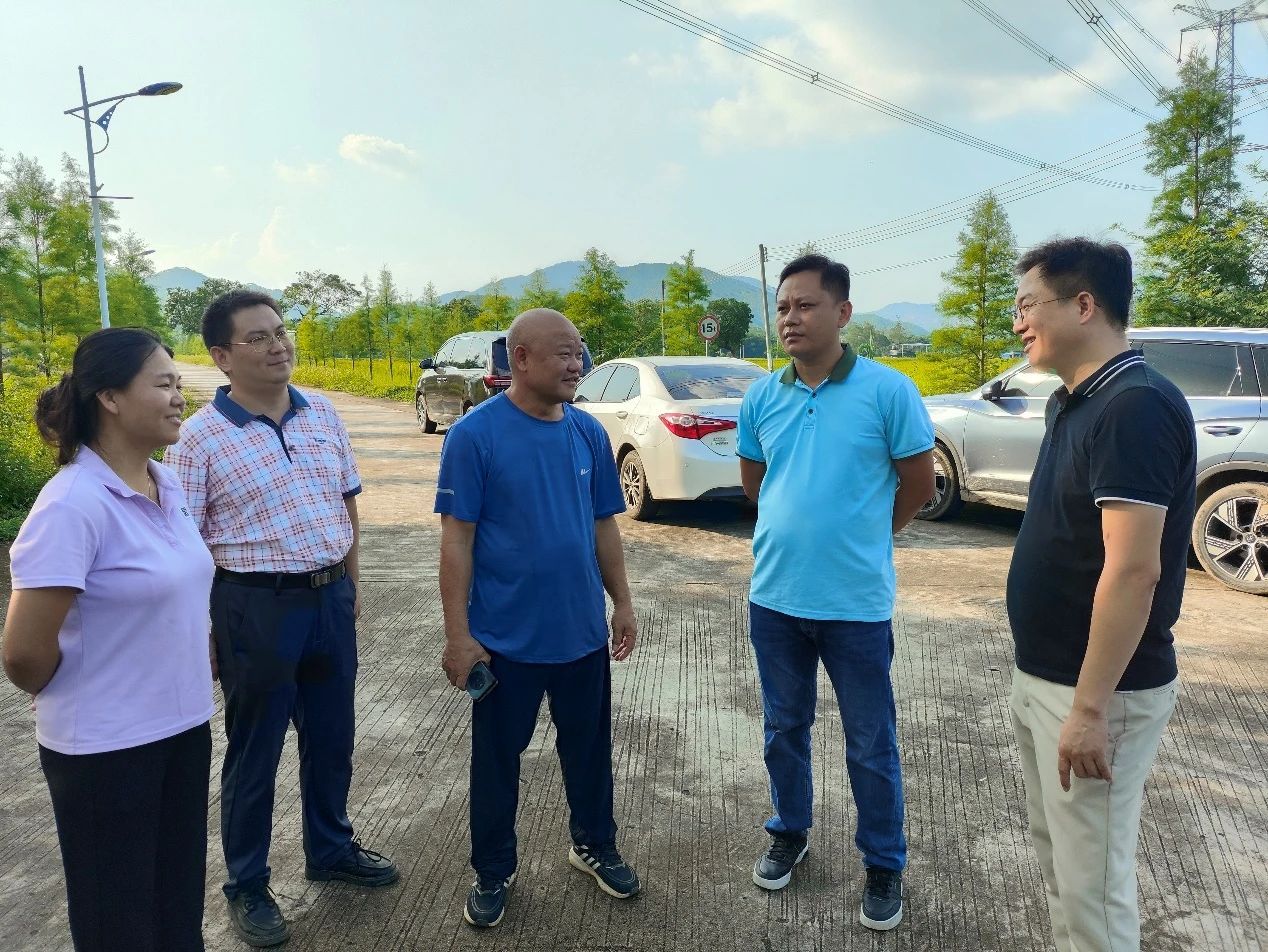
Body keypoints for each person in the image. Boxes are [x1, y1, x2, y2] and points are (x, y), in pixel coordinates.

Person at [165, 290, 396, 948]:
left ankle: (331, 848)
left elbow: (346, 503)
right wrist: (205, 629)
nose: (278, 345)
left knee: (332, 737)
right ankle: (247, 882)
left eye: (281, 331)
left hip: (329, 599)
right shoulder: (198, 438)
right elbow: (185, 542)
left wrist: (351, 585)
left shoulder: (321, 411)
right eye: (259, 337)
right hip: (254, 607)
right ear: (221, 356)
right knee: (255, 747)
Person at [736, 254, 935, 931]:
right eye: (783, 308)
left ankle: (883, 863)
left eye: (806, 305)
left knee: (870, 742)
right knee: (783, 728)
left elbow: (919, 485)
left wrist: (865, 536)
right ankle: (788, 831)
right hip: (774, 599)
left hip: (855, 605)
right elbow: (757, 483)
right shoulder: (762, 396)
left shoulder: (889, 391)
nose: (790, 318)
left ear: (843, 312)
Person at [1007, 239, 1195, 952]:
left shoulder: (1134, 406)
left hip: (1098, 694)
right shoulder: (1076, 401)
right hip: (1047, 675)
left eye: (1029, 305)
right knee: (1063, 866)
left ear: (1084, 305)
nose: (1019, 322)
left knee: (1094, 888)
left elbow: (1134, 571)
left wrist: (1089, 710)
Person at [2, 328, 214, 952]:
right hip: (105, 751)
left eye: (179, 383)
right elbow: (23, 653)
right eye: (164, 384)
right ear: (111, 398)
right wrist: (89, 689)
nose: (179, 396)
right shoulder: (72, 505)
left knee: (177, 907)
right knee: (117, 922)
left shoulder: (164, 485)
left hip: (182, 728)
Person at [436, 308, 640, 929]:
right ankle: (493, 869)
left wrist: (622, 601)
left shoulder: (587, 433)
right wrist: (458, 636)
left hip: (580, 634)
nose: (577, 365)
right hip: (504, 643)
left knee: (589, 753)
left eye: (580, 352)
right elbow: (457, 540)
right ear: (521, 359)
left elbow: (603, 525)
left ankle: (594, 845)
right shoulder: (474, 436)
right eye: (563, 354)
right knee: (498, 763)